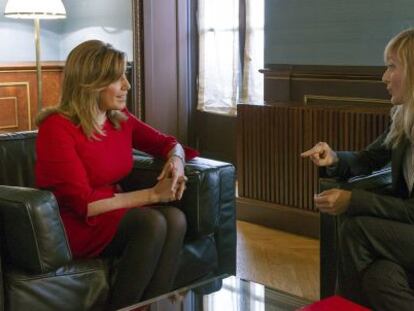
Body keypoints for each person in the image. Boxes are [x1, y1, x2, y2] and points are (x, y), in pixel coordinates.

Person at [35, 40, 198, 310]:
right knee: (152, 223)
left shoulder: (118, 118)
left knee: (176, 218)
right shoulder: (57, 128)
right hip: (76, 224)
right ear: (92, 82)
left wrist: (177, 161)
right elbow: (83, 203)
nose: (127, 85)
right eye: (117, 78)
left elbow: (167, 142)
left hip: (114, 212)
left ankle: (153, 307)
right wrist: (153, 194)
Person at [301, 28, 414, 311]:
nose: (384, 77)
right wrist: (335, 159)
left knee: (357, 230)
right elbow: (369, 158)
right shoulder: (404, 117)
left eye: (391, 66)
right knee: (380, 277)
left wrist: (353, 200)